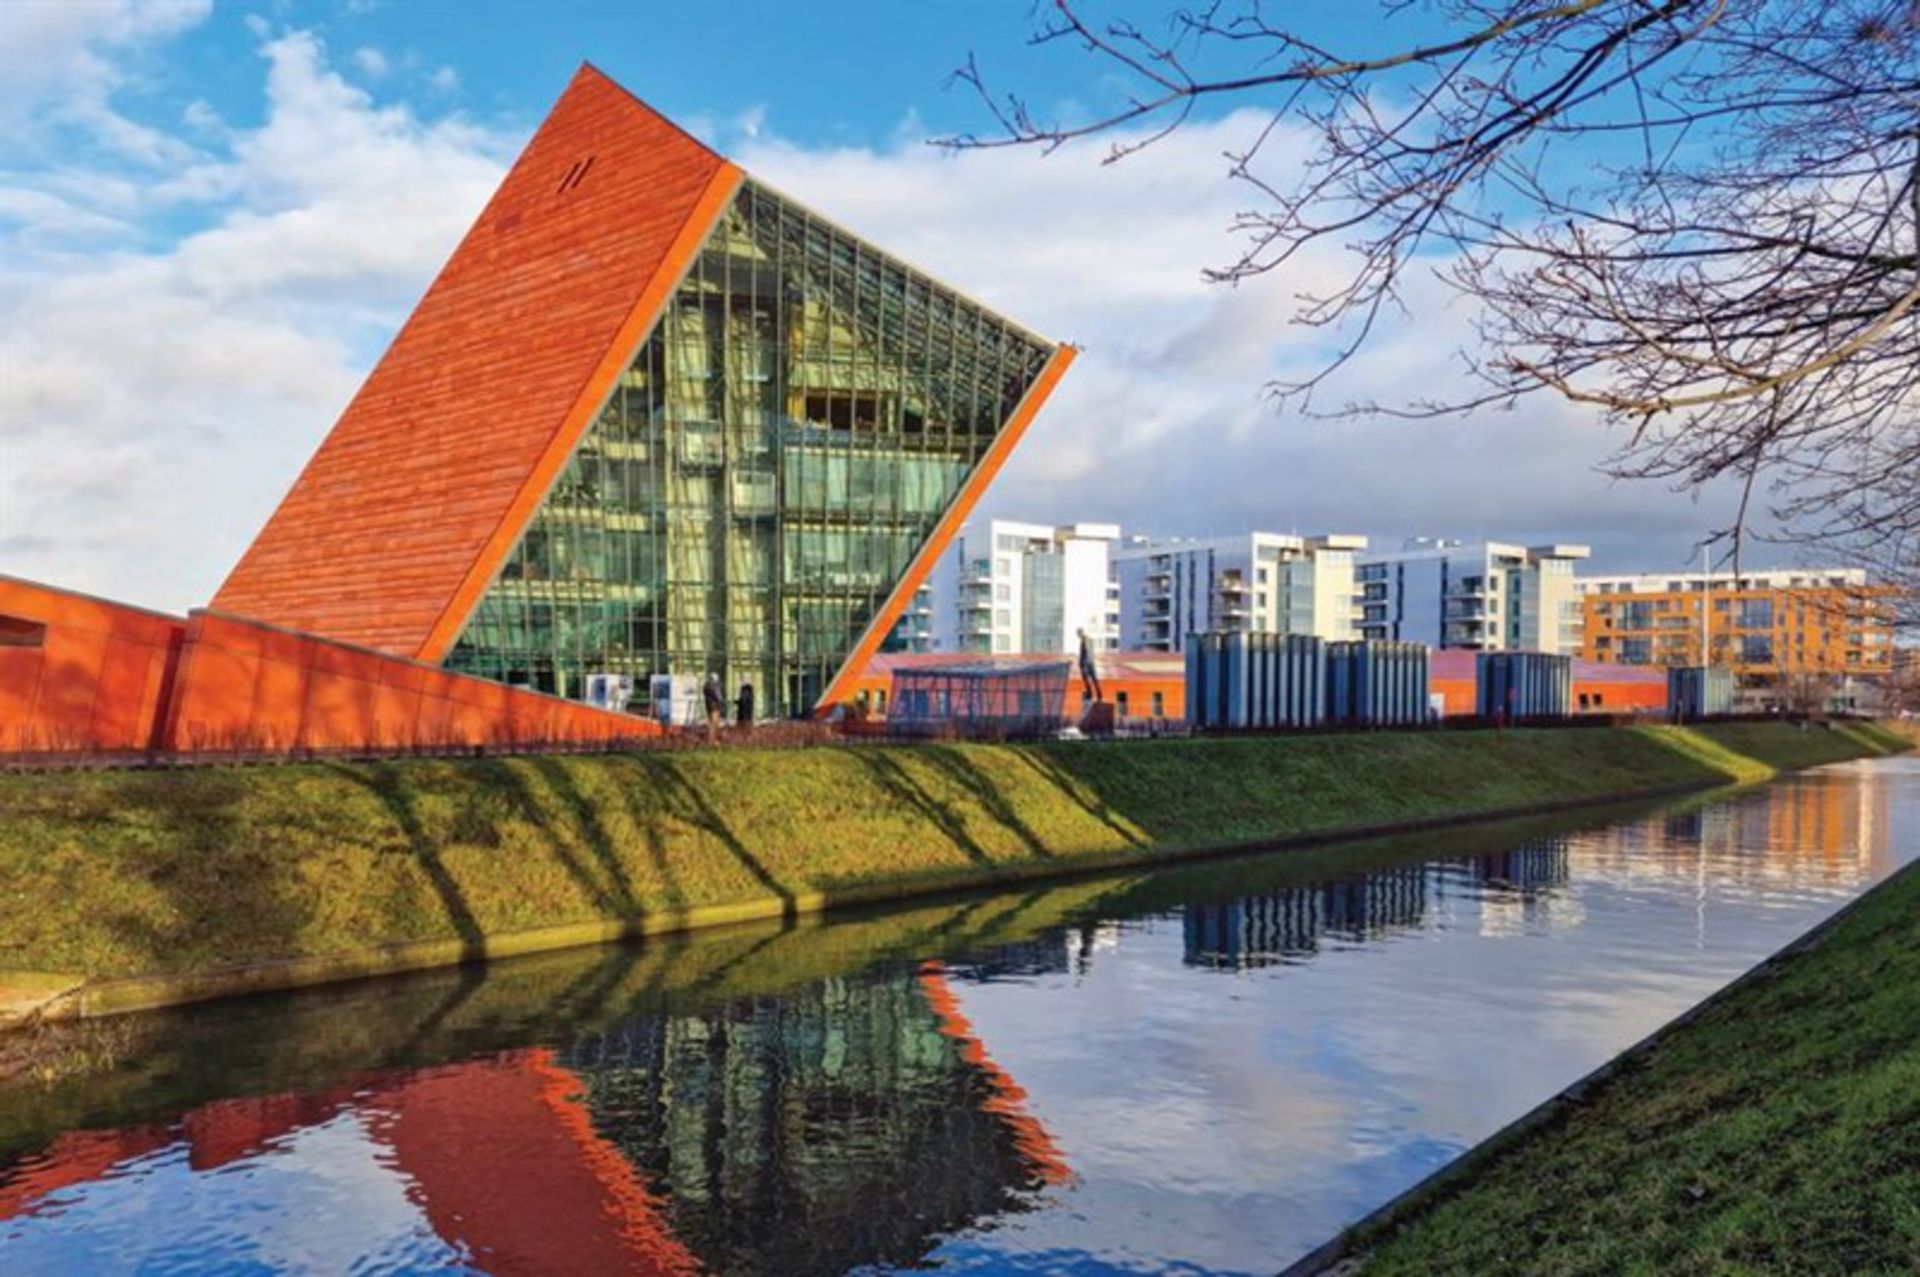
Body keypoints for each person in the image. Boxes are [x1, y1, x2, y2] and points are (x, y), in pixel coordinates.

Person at [1077, 628, 1104, 704]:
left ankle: (1090, 693)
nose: (1078, 636)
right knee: (1094, 679)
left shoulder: (1084, 640)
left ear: (1080, 633)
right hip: (1091, 662)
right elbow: (1091, 651)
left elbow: (1085, 650)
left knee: (1086, 678)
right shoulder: (1091, 640)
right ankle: (1099, 694)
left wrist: (1081, 662)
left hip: (1085, 662)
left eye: (1078, 634)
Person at [702, 672, 725, 742]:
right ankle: (713, 739)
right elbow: (718, 696)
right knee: (715, 723)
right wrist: (722, 703)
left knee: (710, 722)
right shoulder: (713, 686)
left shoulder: (706, 686)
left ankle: (710, 738)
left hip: (709, 706)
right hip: (715, 706)